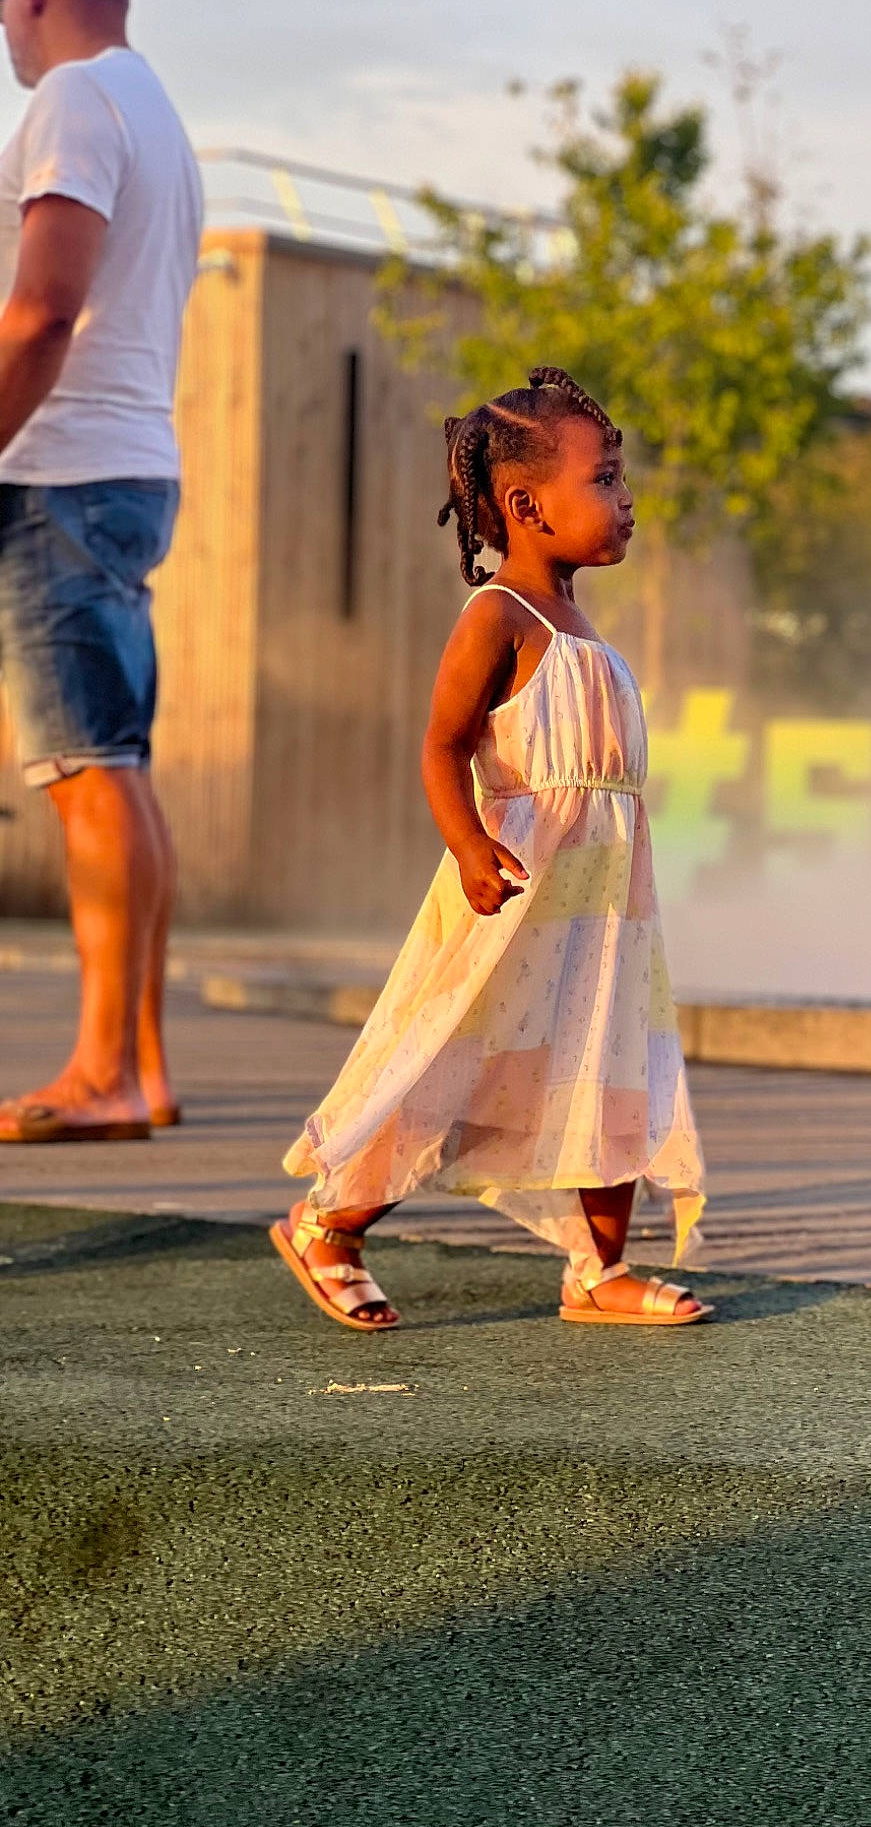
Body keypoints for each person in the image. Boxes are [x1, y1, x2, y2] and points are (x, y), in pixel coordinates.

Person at [273, 368, 710, 1330]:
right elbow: (442, 744)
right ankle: (329, 1225)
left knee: (612, 1066)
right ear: (526, 506)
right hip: (514, 898)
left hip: (601, 911)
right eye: (605, 479)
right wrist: (469, 846)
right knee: (448, 1070)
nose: (628, 499)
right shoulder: (499, 618)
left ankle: (598, 1269)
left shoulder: (586, 630)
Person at [0, 0, 201, 1143]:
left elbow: (41, 313)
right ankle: (142, 1066)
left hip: (60, 474)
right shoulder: (148, 103)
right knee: (116, 766)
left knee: (88, 770)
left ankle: (101, 1073)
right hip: (124, 467)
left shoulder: (75, 98)